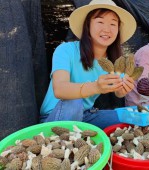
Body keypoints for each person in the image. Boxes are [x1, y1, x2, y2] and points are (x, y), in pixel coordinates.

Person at [40, 0, 137, 129]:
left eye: (113, 24)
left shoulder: (114, 62)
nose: (107, 29)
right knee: (74, 101)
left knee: (131, 116)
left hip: (86, 116)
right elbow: (60, 89)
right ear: (88, 25)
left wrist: (122, 89)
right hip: (55, 117)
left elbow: (119, 92)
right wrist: (96, 87)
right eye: (100, 22)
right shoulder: (66, 50)